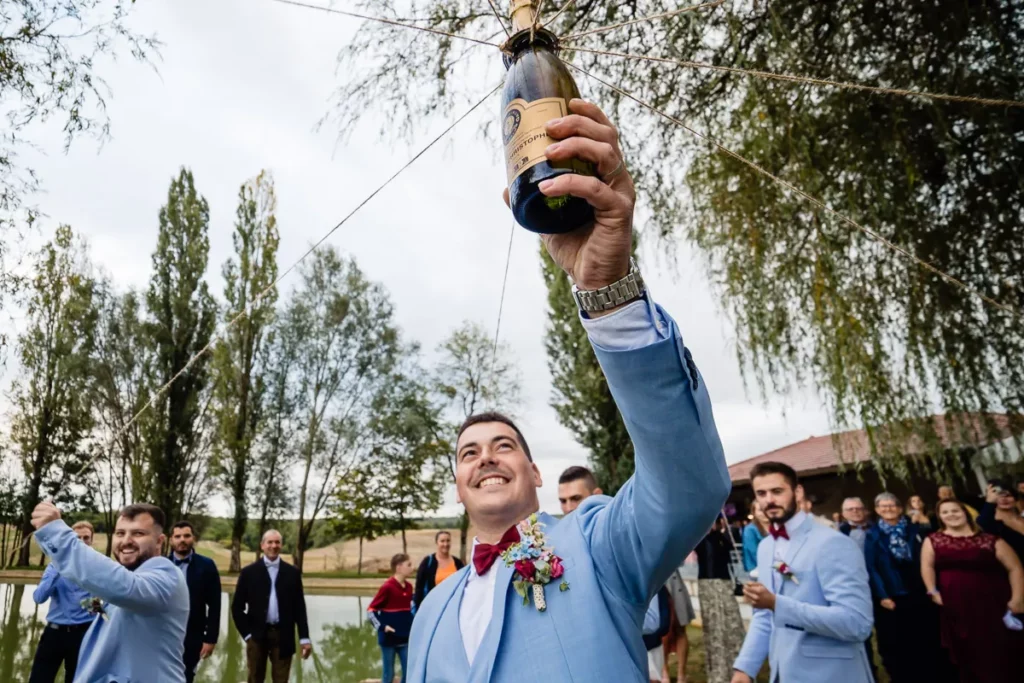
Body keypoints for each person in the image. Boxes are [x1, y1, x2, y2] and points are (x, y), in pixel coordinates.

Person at [407, 98, 730, 682]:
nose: (484, 458)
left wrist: (608, 290)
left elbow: (690, 485)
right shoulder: (430, 611)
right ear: (458, 486)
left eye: (503, 445)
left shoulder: (598, 542)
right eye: (468, 452)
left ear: (535, 474)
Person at [731, 462, 873, 683]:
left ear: (797, 492)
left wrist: (777, 604)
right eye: (761, 493)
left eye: (777, 491)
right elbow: (765, 616)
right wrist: (745, 667)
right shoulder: (766, 547)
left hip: (830, 674)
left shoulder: (833, 543)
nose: (769, 500)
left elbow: (857, 623)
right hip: (783, 672)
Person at [30, 502, 189, 682]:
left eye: (138, 533)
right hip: (55, 634)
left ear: (159, 541)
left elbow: (125, 587)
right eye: (120, 533)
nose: (126, 540)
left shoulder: (166, 574)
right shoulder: (115, 576)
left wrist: (57, 534)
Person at [921, 498, 1024, 682]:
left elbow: (1015, 568)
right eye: (945, 512)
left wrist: (1017, 598)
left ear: (965, 513)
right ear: (940, 517)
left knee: (1000, 649)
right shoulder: (933, 540)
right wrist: (932, 591)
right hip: (956, 604)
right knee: (968, 651)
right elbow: (927, 566)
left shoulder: (990, 539)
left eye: (955, 510)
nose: (951, 515)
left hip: (993, 603)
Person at [864, 492, 951, 683]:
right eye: (883, 506)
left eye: (892, 505)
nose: (888, 509)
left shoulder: (915, 529)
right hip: (893, 594)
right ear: (877, 510)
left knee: (929, 635)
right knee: (901, 641)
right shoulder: (872, 535)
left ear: (900, 508)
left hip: (920, 589)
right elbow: (871, 568)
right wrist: (882, 595)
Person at [232, 529, 312, 683]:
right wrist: (247, 635)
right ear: (262, 545)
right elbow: (237, 608)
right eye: (270, 542)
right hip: (256, 636)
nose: (273, 546)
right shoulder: (249, 573)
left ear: (281, 545)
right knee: (255, 678)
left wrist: (304, 638)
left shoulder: (292, 573)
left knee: (281, 680)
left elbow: (299, 608)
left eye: (277, 542)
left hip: (284, 635)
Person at [28, 521, 96, 683]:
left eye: (86, 538)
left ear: (91, 540)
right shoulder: (54, 567)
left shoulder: (97, 567)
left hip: (84, 634)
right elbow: (39, 598)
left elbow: (104, 604)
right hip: (54, 634)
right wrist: (60, 566)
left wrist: (89, 605)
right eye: (77, 538)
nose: (82, 541)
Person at [168, 520, 222, 683]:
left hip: (193, 635)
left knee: (186, 677)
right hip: (164, 634)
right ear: (171, 540)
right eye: (177, 536)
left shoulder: (207, 566)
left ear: (194, 538)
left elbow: (215, 605)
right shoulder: (161, 565)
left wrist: (210, 638)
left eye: (186, 535)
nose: (182, 540)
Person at [836, 496, 877, 678]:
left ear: (865, 510)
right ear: (844, 514)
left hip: (879, 585)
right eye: (850, 510)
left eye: (858, 508)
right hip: (854, 588)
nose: (855, 512)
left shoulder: (877, 529)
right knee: (861, 635)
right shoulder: (837, 534)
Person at [369, 553, 417, 683]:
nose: (412, 568)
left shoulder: (409, 587)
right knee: (388, 674)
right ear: (399, 567)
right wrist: (383, 627)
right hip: (388, 639)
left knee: (409, 672)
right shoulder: (387, 587)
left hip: (405, 638)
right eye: (409, 565)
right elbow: (371, 611)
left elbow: (410, 611)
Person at [662, 564, 696, 683]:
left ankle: (681, 675)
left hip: (673, 580)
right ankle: (664, 672)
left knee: (680, 628)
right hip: (655, 582)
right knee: (662, 632)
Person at [413, 531, 464, 610]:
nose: (445, 544)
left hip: (453, 607)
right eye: (442, 541)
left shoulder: (457, 563)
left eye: (448, 541)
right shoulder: (428, 562)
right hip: (433, 607)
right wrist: (418, 608)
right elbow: (419, 587)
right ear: (437, 542)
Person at [978, 480, 1024, 564]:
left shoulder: (1022, 518)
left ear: (1015, 498)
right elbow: (981, 524)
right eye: (998, 496)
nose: (1004, 499)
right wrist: (989, 502)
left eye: (1008, 495)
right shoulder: (992, 524)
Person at [741, 501, 767, 573]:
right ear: (754, 512)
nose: (764, 513)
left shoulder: (776, 527)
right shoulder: (750, 529)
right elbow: (753, 551)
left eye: (766, 509)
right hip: (755, 568)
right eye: (760, 510)